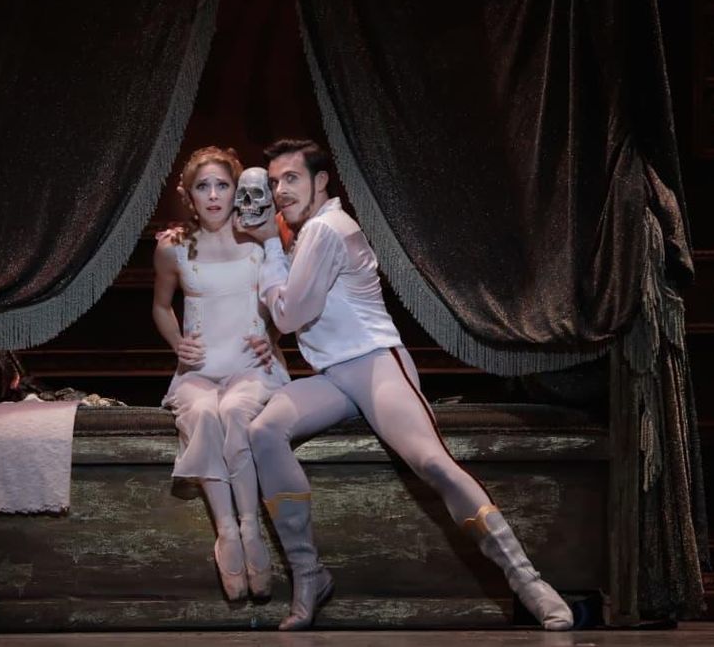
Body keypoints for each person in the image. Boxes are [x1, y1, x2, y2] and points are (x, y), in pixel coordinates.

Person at [238, 138, 574, 631]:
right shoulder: (306, 232)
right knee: (264, 431)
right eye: (273, 182)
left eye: (291, 178)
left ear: (321, 181)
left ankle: (528, 581)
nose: (280, 189)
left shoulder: (327, 228)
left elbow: (288, 316)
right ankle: (309, 575)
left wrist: (268, 243)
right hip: (333, 378)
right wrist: (273, 243)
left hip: (376, 365)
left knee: (433, 462)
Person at [152, 145, 289, 602]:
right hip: (199, 370)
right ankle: (226, 529)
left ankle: (252, 528)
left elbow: (284, 299)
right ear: (189, 195)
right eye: (203, 186)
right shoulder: (173, 247)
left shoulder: (258, 238)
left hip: (251, 367)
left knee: (234, 412)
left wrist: (269, 333)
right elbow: (160, 306)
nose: (213, 195)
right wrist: (178, 344)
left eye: (222, 185)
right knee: (203, 414)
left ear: (236, 191)